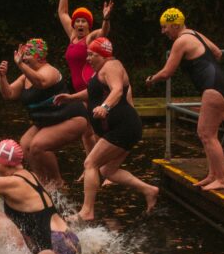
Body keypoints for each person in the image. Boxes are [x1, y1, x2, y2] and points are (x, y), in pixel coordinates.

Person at [54, 38, 160, 221]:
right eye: (87, 54)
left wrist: (105, 107)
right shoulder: (100, 71)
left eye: (91, 55)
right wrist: (71, 98)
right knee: (108, 171)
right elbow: (92, 93)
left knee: (90, 164)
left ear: (103, 54)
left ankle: (87, 211)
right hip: (122, 128)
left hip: (123, 127)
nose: (88, 58)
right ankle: (149, 190)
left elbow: (117, 90)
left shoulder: (111, 67)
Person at [145, 8, 224, 191]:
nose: (163, 32)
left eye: (165, 27)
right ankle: (213, 175)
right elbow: (217, 53)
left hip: (214, 86)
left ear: (176, 25)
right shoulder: (194, 34)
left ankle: (222, 179)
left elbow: (167, 72)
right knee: (208, 134)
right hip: (219, 82)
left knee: (206, 134)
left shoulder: (181, 41)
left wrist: (152, 79)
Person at [0, 38, 88, 188]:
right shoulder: (26, 76)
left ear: (39, 56)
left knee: (38, 145)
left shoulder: (49, 71)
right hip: (48, 121)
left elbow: (41, 83)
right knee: (25, 145)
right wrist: (2, 77)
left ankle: (57, 183)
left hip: (72, 117)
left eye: (27, 55)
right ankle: (42, 183)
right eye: (23, 55)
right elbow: (9, 94)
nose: (23, 57)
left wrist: (20, 65)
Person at [58, 0, 112, 156]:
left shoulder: (90, 38)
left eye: (84, 21)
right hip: (78, 90)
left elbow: (103, 32)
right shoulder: (72, 37)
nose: (80, 23)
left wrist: (105, 19)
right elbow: (62, 13)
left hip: (91, 87)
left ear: (88, 25)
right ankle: (90, 165)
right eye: (78, 21)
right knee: (86, 131)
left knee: (96, 129)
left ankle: (100, 165)